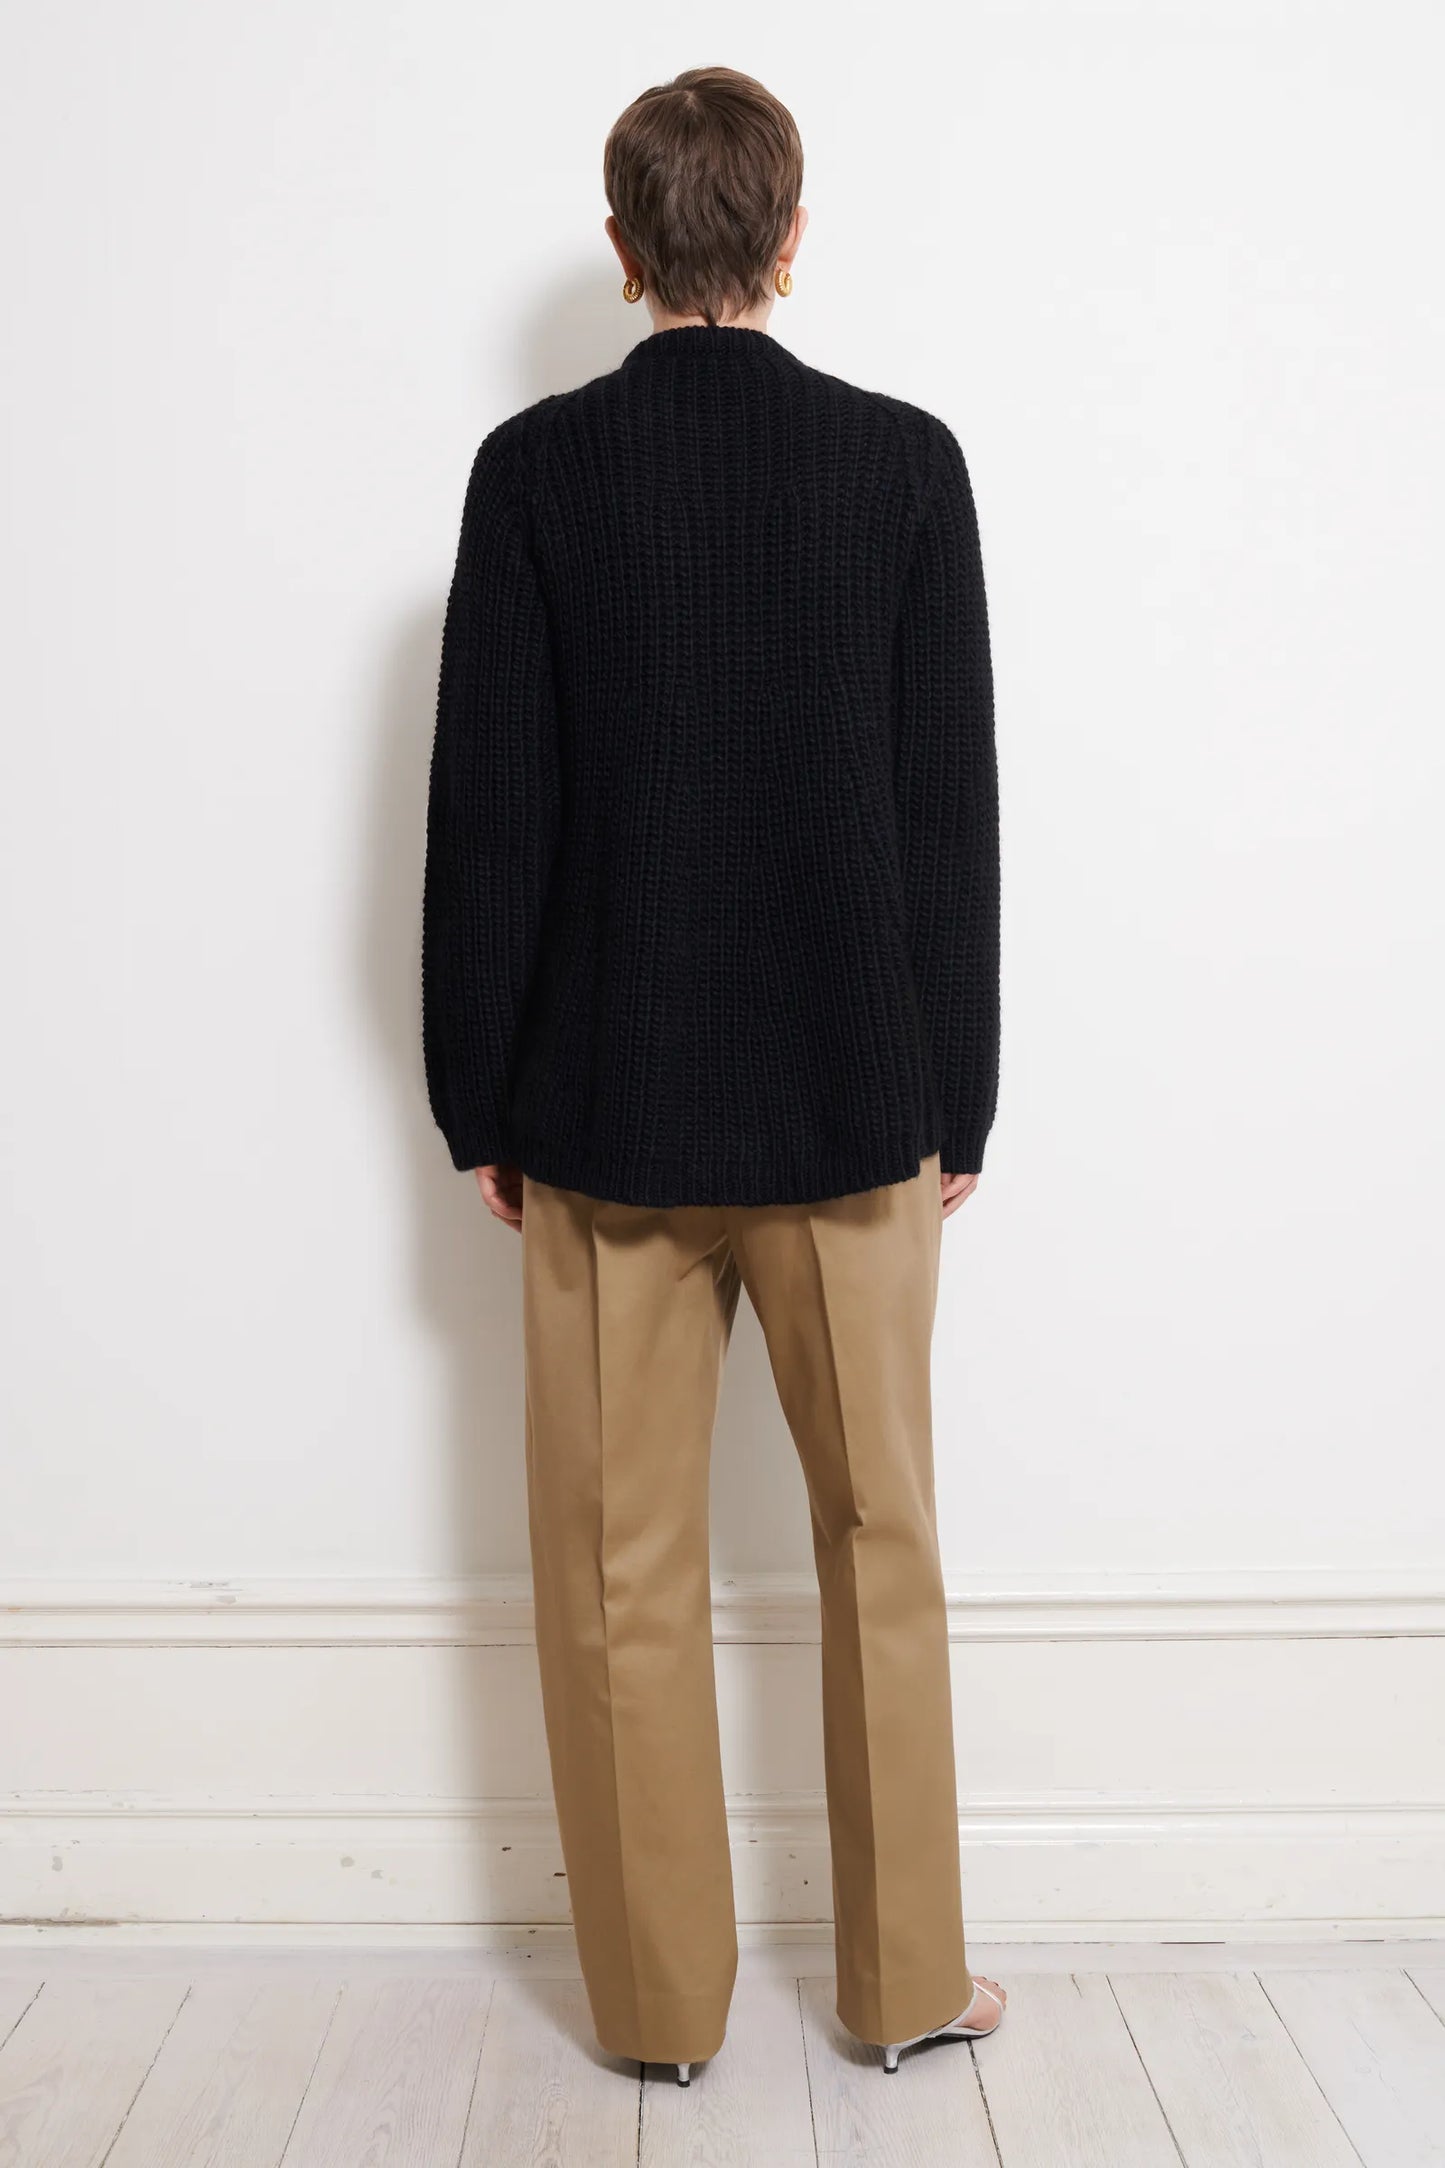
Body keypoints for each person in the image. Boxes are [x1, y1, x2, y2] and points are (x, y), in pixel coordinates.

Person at [421, 64, 1005, 2083]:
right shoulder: (903, 465)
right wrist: (960, 1098)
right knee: (883, 1545)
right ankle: (906, 1984)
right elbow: (948, 815)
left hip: (605, 1117)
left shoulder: (536, 474)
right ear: (793, 235)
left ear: (622, 248)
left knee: (619, 1574)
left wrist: (478, 1094)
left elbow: (491, 814)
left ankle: (662, 2016)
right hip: (857, 1105)